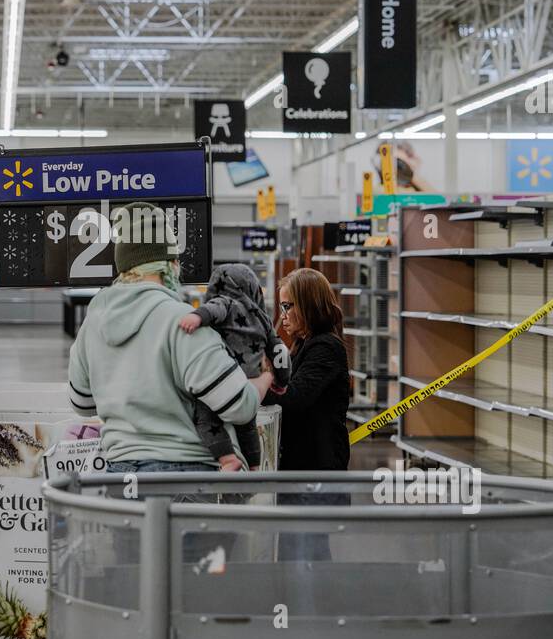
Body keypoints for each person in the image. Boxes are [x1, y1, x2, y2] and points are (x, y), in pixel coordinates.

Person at [67, 203, 274, 478]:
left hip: (118, 474)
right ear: (169, 265)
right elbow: (239, 406)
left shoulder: (93, 321)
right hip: (183, 476)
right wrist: (266, 378)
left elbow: (81, 402)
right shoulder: (183, 321)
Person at [265, 267, 351, 561]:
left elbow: (294, 397)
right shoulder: (303, 344)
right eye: (281, 306)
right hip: (302, 473)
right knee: (297, 553)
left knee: (307, 556)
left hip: (316, 474)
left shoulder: (325, 347)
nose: (284, 314)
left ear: (309, 306)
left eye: (288, 306)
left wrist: (256, 387)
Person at [177, 264, 289, 470]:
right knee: (247, 426)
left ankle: (227, 458)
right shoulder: (262, 317)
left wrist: (197, 317)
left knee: (206, 419)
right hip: (250, 380)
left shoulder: (226, 301)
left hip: (225, 378)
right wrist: (281, 380)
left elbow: (214, 309)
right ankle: (255, 465)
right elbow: (279, 351)